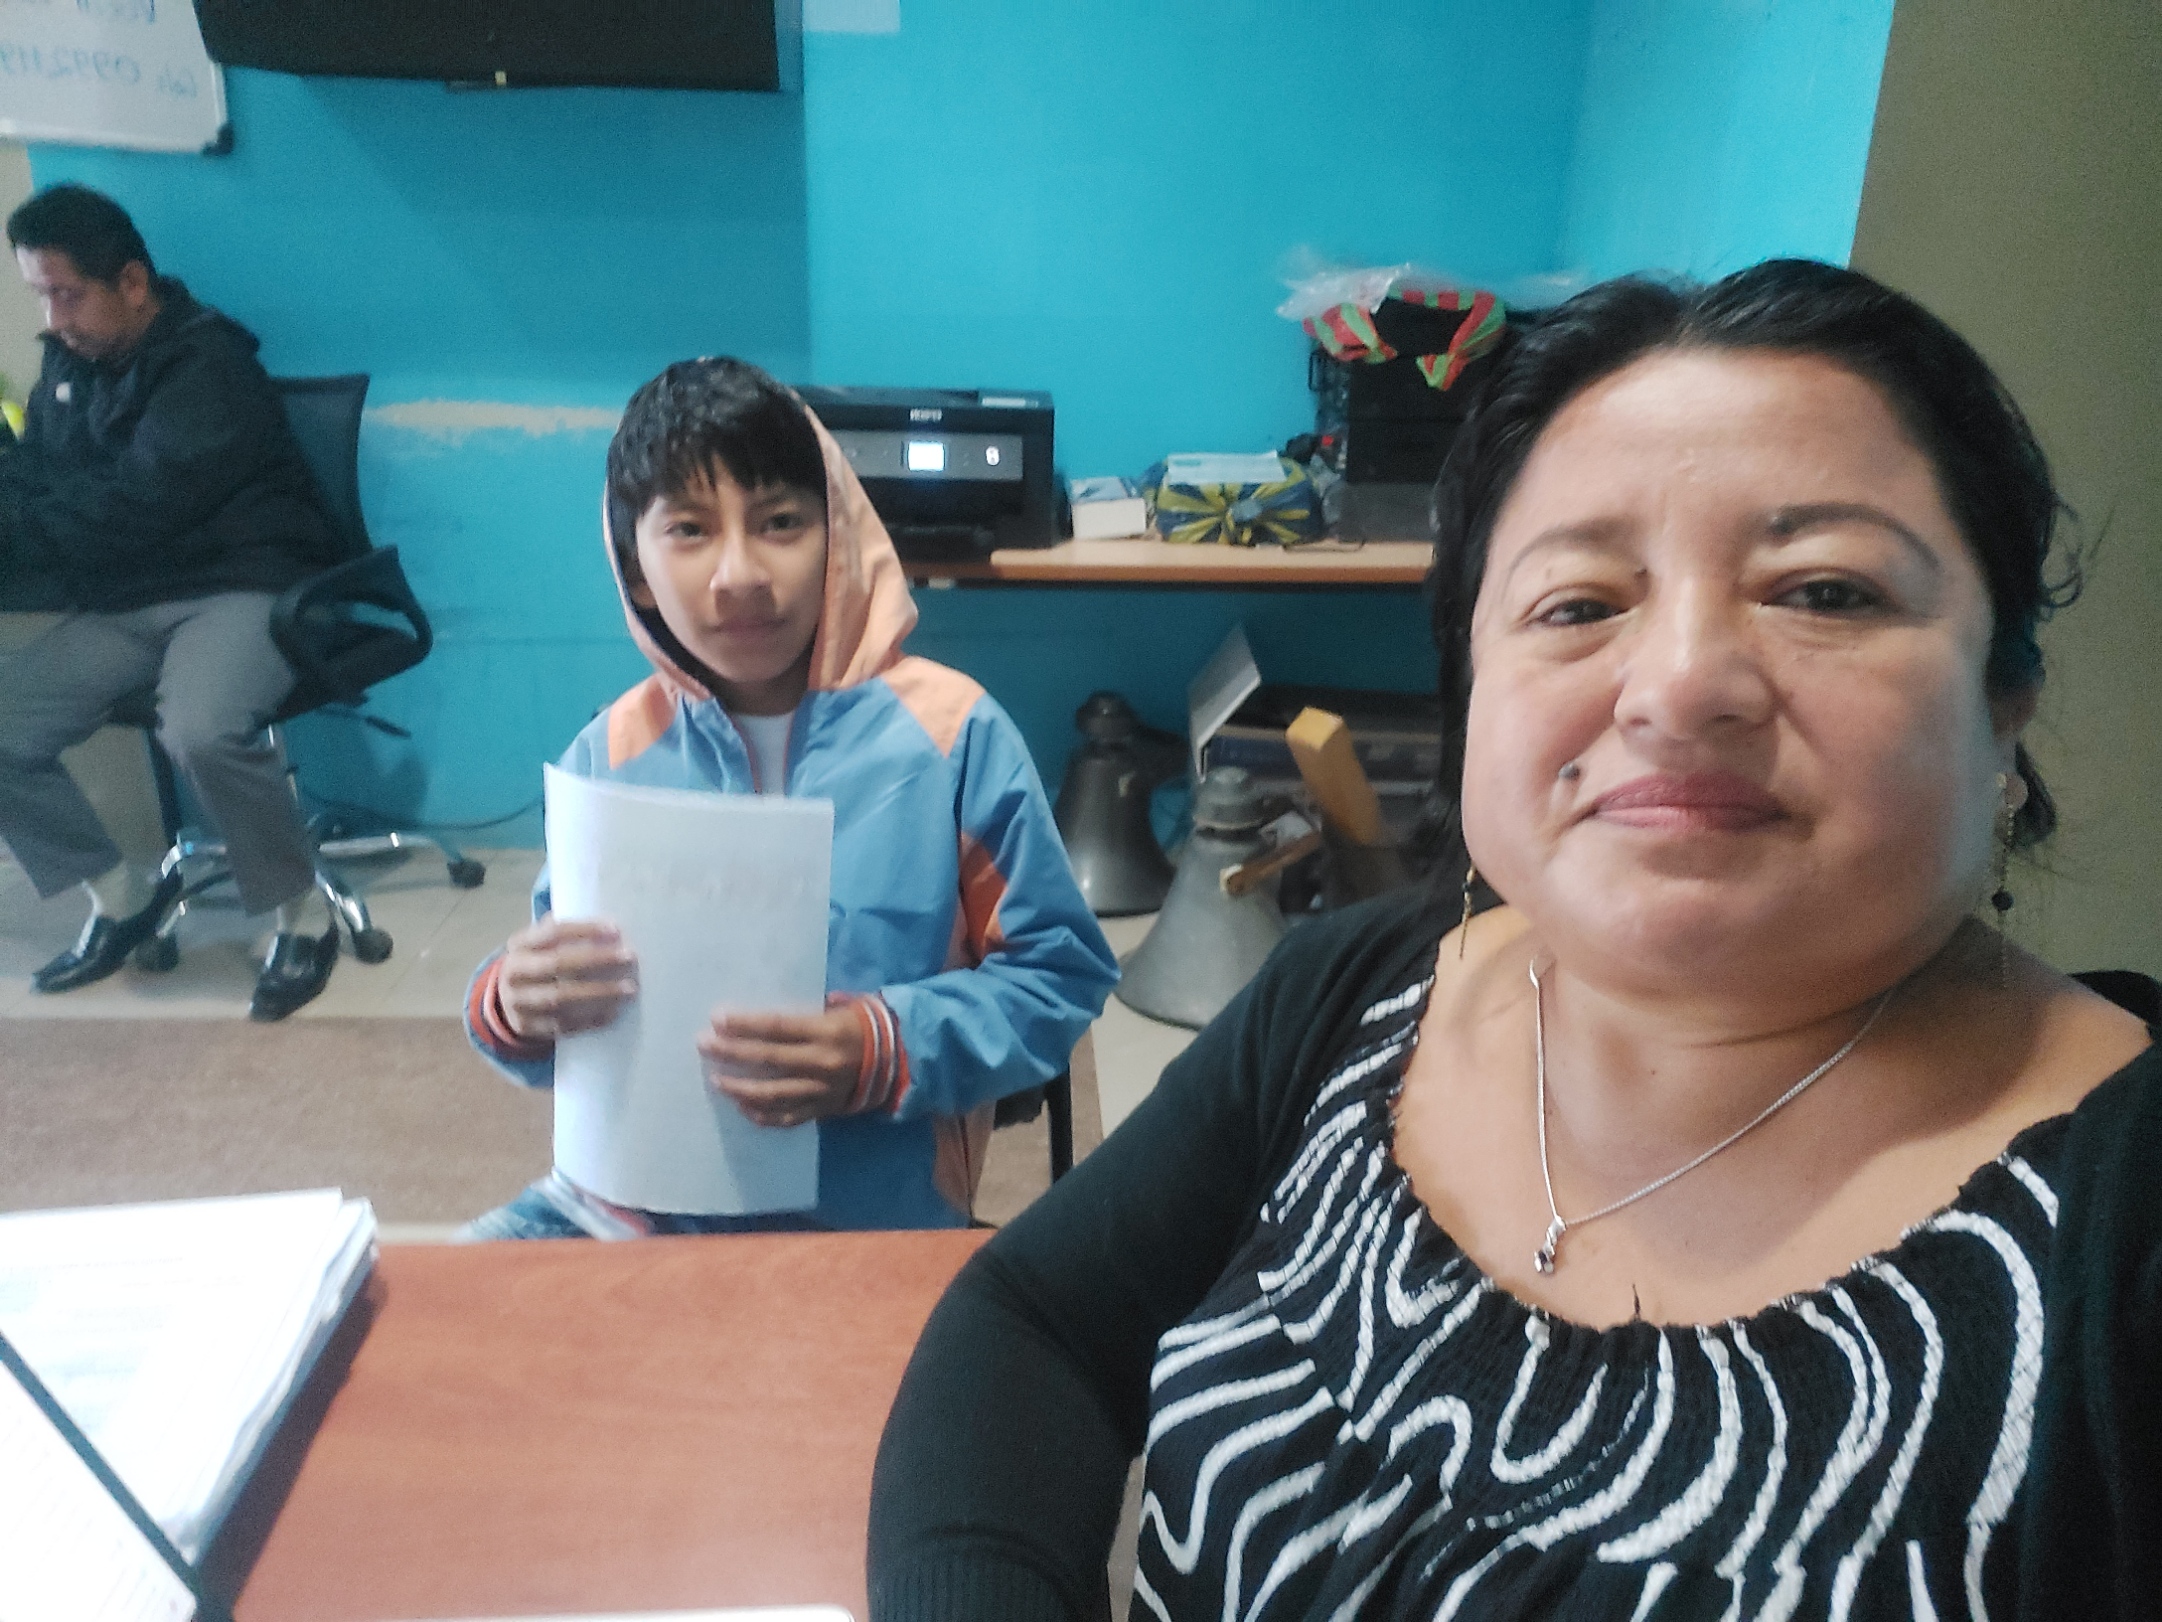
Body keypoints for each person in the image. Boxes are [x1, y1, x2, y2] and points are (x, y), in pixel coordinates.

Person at [867, 261, 2162, 1620]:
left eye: (1823, 590)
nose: (1676, 687)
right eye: (1578, 604)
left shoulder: (2113, 1240)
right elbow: (1036, 1323)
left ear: (2004, 696)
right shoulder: (1355, 989)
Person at [461, 357, 1117, 1237]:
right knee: (406, 1311)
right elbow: (571, 1023)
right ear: (637, 566)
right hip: (629, 1218)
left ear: (836, 535)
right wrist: (516, 1003)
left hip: (870, 1224)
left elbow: (1060, 976)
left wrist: (881, 1046)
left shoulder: (952, 737)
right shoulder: (609, 753)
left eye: (779, 522)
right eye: (689, 530)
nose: (739, 574)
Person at [0, 183, 342, 1020]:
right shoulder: (68, 364)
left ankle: (302, 913)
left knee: (200, 730)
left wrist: (26, 518)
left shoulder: (209, 366)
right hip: (128, 598)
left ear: (133, 283)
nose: (53, 318)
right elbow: (39, 477)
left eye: (67, 294)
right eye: (41, 295)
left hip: (239, 585)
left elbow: (133, 506)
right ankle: (120, 896)